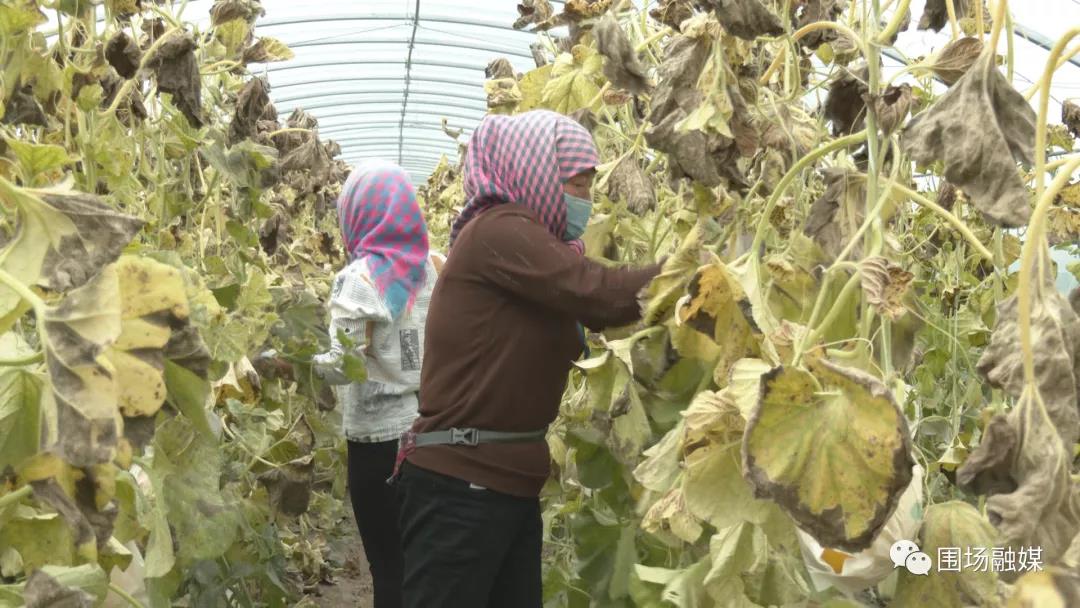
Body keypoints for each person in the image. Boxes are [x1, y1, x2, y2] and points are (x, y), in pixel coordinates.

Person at [393, 110, 663, 608]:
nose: (584, 200)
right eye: (575, 185)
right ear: (533, 170)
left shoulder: (531, 247)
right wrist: (684, 273)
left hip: (501, 484)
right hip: (462, 485)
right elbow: (598, 293)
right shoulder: (500, 230)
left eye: (587, 186)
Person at [313, 160, 441, 608]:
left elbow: (343, 365)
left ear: (357, 215)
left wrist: (297, 364)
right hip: (429, 436)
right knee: (423, 568)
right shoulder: (432, 270)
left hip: (377, 443)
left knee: (388, 570)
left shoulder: (360, 279)